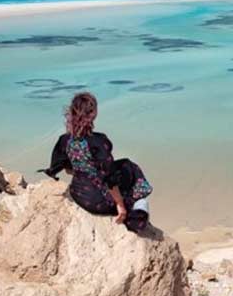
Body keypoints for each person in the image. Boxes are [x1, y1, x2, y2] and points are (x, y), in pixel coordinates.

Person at [42, 92, 152, 232]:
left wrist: (83, 168)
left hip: (79, 194)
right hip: (99, 201)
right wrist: (120, 205)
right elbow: (110, 178)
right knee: (128, 166)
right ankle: (138, 204)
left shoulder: (65, 140)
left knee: (121, 165)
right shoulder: (98, 141)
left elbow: (62, 166)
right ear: (93, 113)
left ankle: (135, 202)